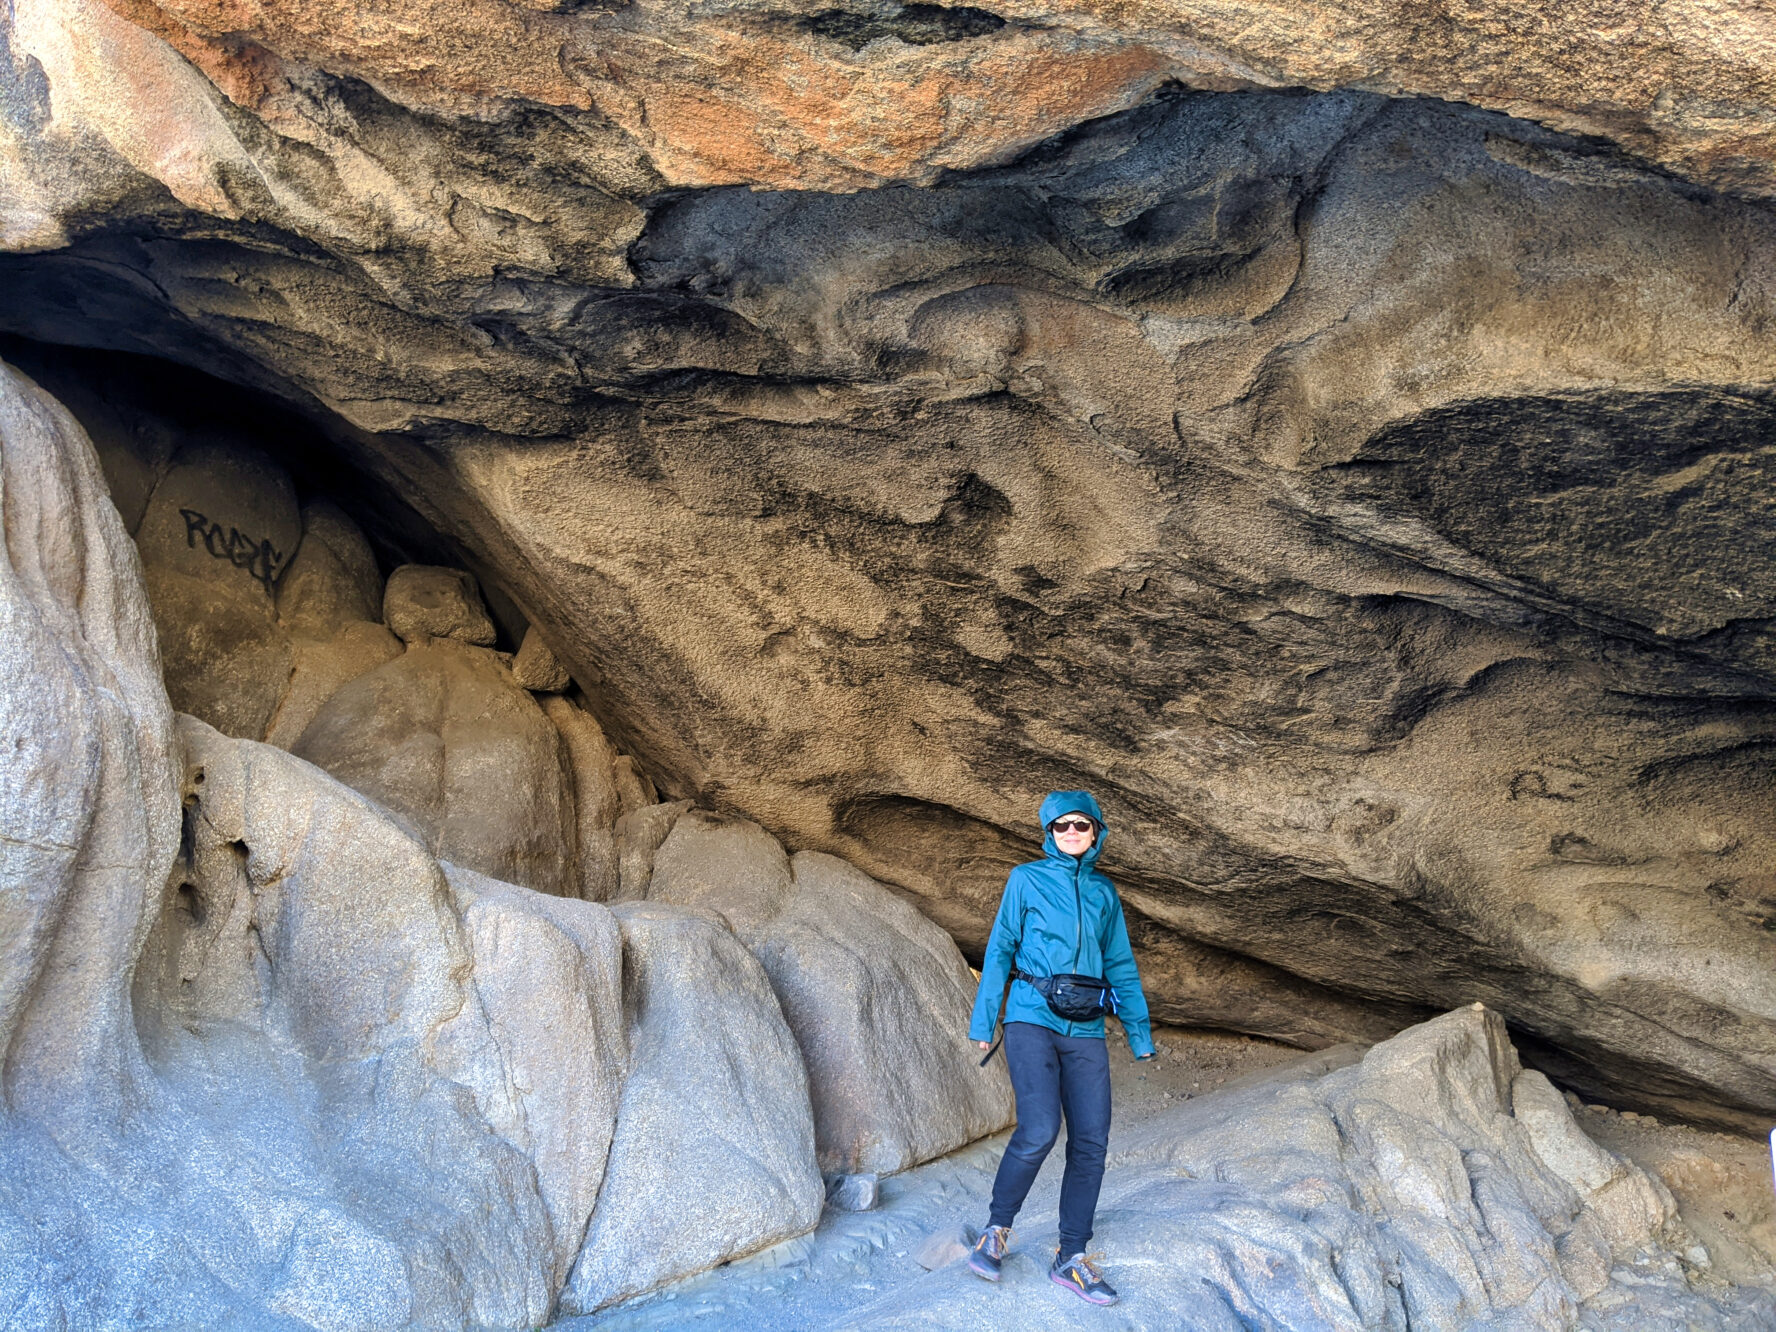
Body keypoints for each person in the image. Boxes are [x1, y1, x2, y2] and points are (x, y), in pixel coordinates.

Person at [966, 790, 1153, 1307]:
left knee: (1092, 1139)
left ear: (1097, 832)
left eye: (1082, 825)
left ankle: (1071, 1257)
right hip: (1031, 1017)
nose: (1071, 832)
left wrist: (1139, 1034)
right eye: (1061, 826)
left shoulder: (1104, 893)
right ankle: (996, 1229)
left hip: (1087, 1027)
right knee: (1041, 1127)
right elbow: (1001, 947)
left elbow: (1120, 965)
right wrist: (985, 1020)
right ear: (1048, 833)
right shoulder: (1025, 879)